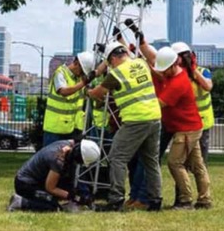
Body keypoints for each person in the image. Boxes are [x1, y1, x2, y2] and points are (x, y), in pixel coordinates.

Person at [86, 41, 163, 212]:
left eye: (109, 62)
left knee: (116, 158)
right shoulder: (141, 63)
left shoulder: (116, 73)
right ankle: (156, 200)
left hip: (136, 120)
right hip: (155, 117)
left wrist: (87, 91)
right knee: (151, 161)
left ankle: (115, 200)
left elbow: (98, 94)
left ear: (113, 58)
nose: (109, 65)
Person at [147, 45, 212, 209]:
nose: (162, 72)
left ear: (172, 65)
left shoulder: (178, 83)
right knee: (198, 166)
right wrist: (145, 60)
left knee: (175, 163)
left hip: (186, 130)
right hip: (192, 127)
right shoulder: (178, 74)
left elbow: (159, 104)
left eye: (164, 69)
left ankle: (185, 200)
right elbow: (158, 71)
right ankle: (204, 200)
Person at [9, 139, 101, 212]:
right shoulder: (58, 161)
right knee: (53, 206)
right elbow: (50, 188)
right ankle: (20, 202)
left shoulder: (68, 144)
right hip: (25, 184)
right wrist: (73, 197)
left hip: (38, 180)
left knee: (65, 191)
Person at [44, 51, 96, 146]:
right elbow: (64, 91)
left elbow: (88, 93)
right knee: (52, 158)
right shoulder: (60, 73)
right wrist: (83, 83)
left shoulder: (79, 80)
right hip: (55, 129)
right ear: (76, 63)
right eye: (82, 71)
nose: (82, 74)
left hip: (72, 129)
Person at [172, 42, 214, 161]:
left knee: (201, 156)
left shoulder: (203, 71)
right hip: (184, 122)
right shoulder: (177, 75)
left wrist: (193, 70)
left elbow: (208, 86)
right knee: (183, 157)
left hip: (203, 121)